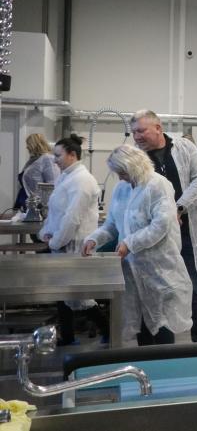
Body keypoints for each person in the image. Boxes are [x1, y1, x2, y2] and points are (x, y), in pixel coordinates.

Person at [82, 145, 192, 345]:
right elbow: (112, 224)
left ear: (133, 166)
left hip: (157, 265)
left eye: (122, 172)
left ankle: (166, 363)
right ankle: (145, 362)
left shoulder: (158, 185)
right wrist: (94, 239)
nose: (120, 177)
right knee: (140, 320)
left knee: (160, 319)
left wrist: (130, 243)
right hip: (131, 267)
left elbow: (161, 225)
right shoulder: (121, 189)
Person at [131, 109, 197, 341]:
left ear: (158, 128)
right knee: (160, 289)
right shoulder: (136, 157)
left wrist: (179, 208)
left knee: (195, 288)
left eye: (141, 131)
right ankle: (164, 346)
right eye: (134, 132)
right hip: (156, 237)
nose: (136, 137)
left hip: (186, 232)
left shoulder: (185, 148)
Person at [38, 134, 109, 346]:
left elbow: (72, 218)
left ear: (72, 155)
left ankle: (108, 330)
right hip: (61, 242)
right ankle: (68, 336)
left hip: (75, 245)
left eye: (58, 155)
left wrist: (55, 241)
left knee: (78, 295)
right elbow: (55, 212)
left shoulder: (82, 180)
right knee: (64, 292)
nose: (54, 160)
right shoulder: (65, 177)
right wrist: (46, 232)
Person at [14, 133, 60, 212]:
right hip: (27, 202)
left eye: (28, 144)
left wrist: (46, 208)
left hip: (40, 206)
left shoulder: (48, 159)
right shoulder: (32, 160)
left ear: (35, 144)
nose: (27, 147)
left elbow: (52, 184)